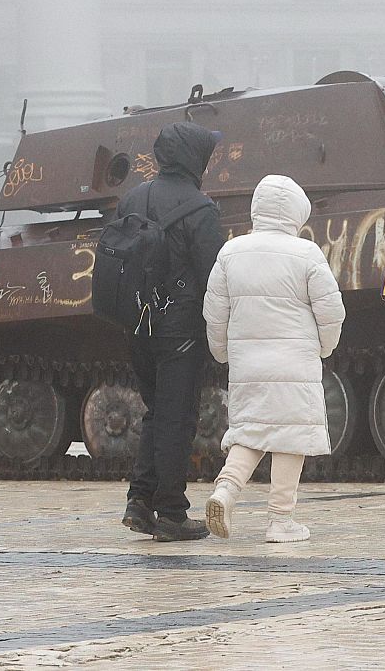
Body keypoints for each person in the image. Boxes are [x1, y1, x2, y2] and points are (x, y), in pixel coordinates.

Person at [201, 174, 344, 543]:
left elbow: (214, 313)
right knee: (290, 437)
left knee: (249, 432)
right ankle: (280, 520)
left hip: (248, 364)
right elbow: (331, 311)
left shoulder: (230, 253)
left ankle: (225, 492)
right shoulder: (307, 253)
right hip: (295, 361)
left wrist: (221, 352)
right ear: (296, 213)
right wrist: (325, 347)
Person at [118, 121, 225, 542]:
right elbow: (215, 276)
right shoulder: (201, 209)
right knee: (177, 419)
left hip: (137, 325)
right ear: (194, 159)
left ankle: (139, 500)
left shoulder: (132, 198)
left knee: (156, 413)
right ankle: (172, 513)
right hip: (180, 330)